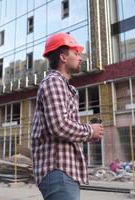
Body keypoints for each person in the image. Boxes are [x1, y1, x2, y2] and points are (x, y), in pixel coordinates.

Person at [31, 32, 104, 200]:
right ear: (63, 58)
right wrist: (89, 131)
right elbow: (59, 125)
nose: (80, 58)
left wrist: (86, 135)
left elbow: (62, 127)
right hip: (58, 170)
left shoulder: (65, 87)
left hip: (64, 172)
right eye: (76, 53)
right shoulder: (54, 82)